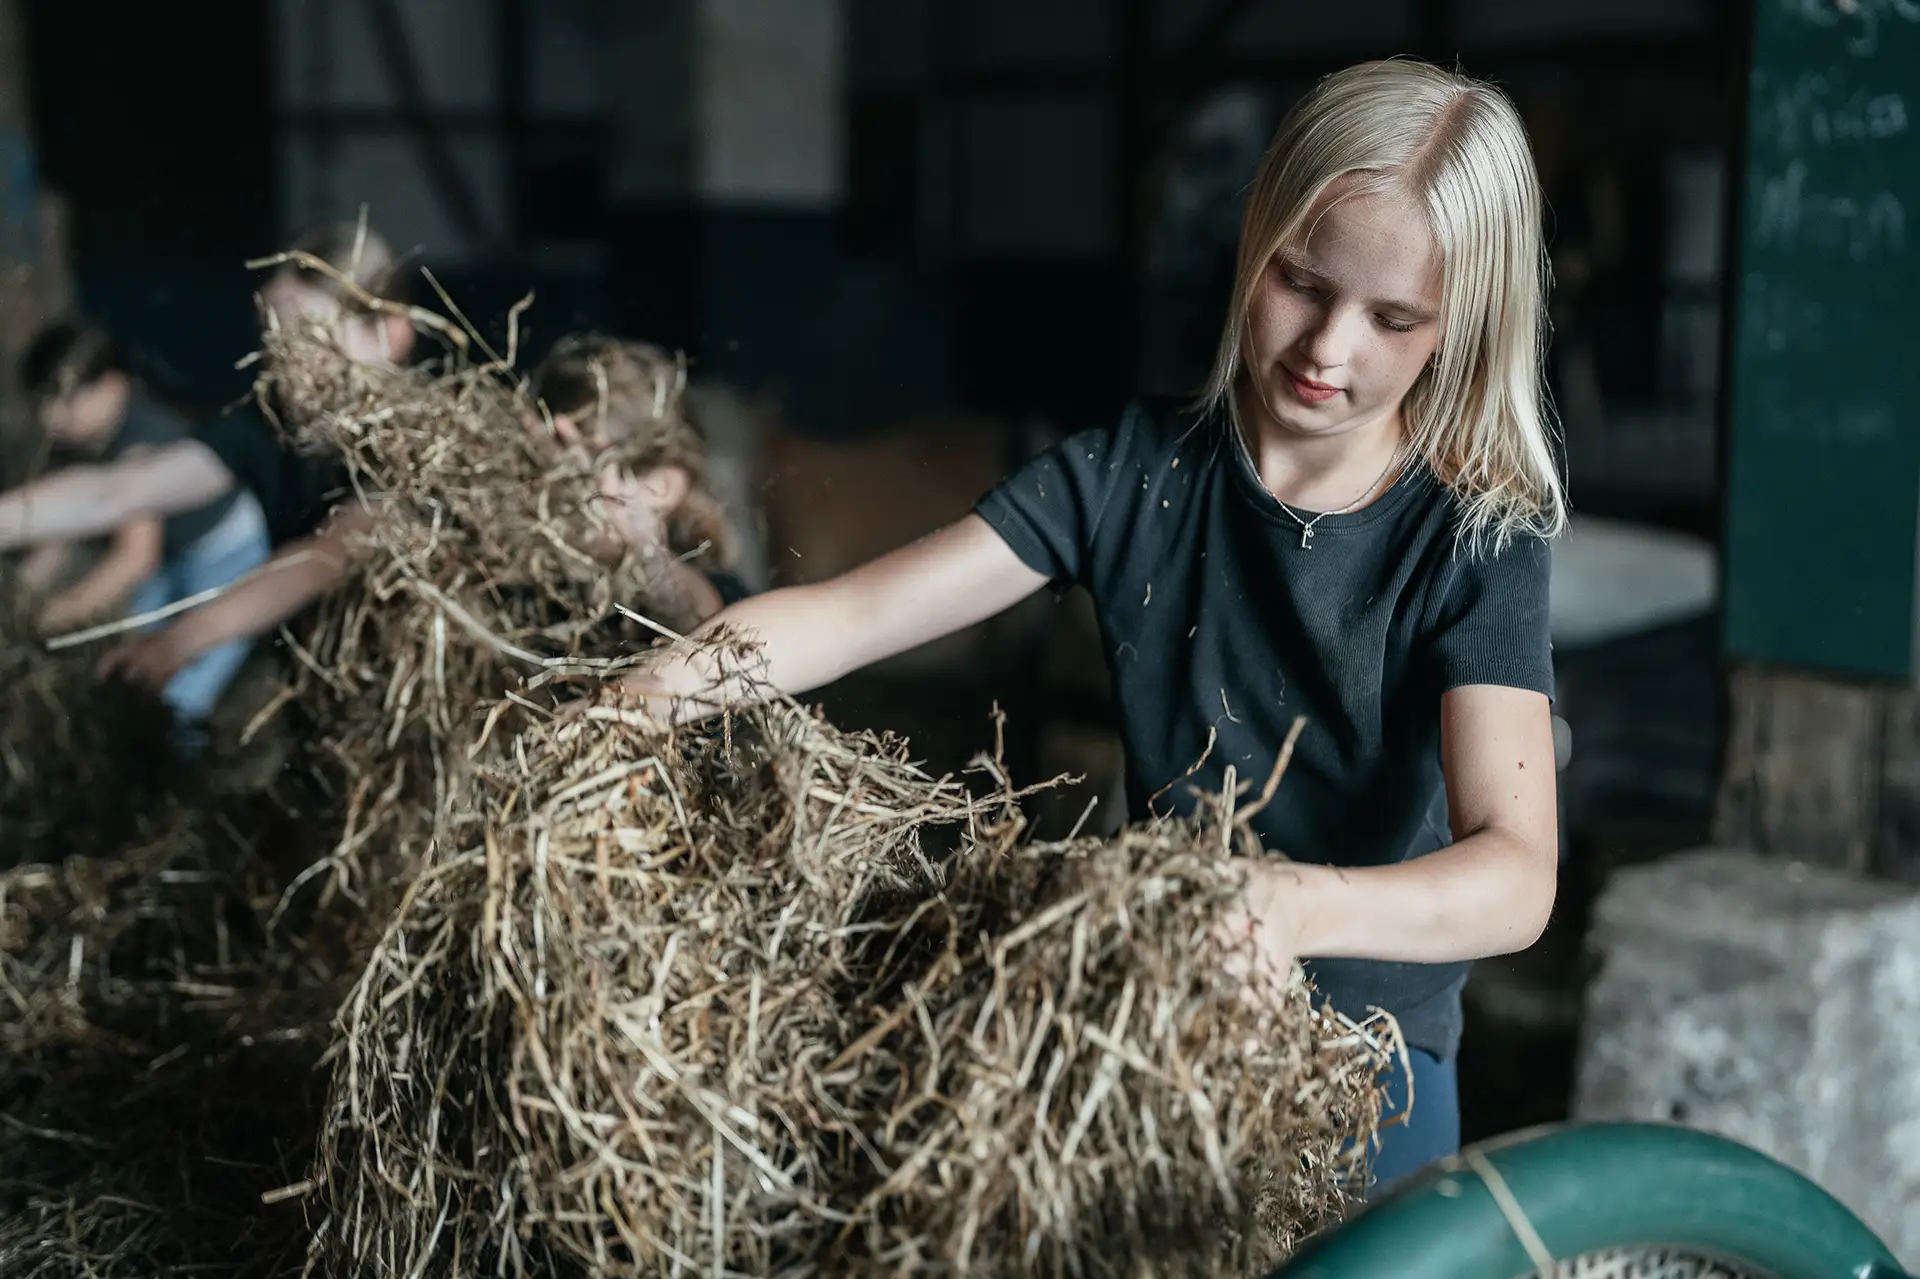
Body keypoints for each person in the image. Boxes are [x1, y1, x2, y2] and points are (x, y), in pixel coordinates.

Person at [575, 59, 1565, 1193]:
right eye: (1302, 281)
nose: (1328, 348)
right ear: (1257, 233)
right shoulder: (1131, 476)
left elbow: (1517, 874)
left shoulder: (1475, 535)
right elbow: (852, 614)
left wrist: (1290, 904)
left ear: (1459, 324)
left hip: (1366, 1068)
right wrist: (635, 703)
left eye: (1393, 318)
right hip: (1148, 1034)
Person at [0, 223, 415, 701]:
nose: (285, 360)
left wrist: (179, 642)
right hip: (329, 692)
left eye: (309, 334)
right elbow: (117, 490)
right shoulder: (267, 426)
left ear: (391, 333)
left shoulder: (414, 449)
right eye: (272, 336)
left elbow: (327, 555)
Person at [12, 320, 274, 745]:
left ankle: (180, 765)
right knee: (128, 649)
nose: (50, 418)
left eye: (63, 401)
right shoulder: (81, 442)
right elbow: (63, 530)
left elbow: (135, 558)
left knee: (180, 676)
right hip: (174, 551)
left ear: (111, 385)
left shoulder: (141, 444)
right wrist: (21, 592)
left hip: (226, 553)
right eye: (43, 403)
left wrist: (47, 620)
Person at [528, 333, 752, 627]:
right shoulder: (539, 586)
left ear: (661, 487)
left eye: (581, 475)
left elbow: (708, 617)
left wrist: (645, 556)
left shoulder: (717, 588)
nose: (558, 494)